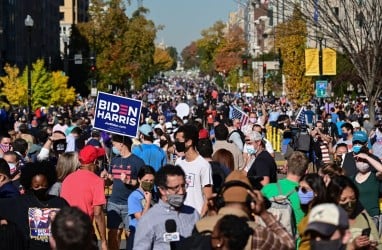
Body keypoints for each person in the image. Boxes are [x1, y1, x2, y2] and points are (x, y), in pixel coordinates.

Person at [192, 170, 295, 250]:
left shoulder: (201, 226)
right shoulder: (257, 233)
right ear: (252, 202)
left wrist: (211, 216)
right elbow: (289, 246)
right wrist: (264, 213)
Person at [0, 161, 68, 250]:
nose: (40, 188)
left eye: (44, 186)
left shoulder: (59, 202)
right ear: (29, 184)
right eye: (36, 186)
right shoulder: (20, 202)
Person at [133, 164, 200, 250]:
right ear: (162, 190)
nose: (181, 192)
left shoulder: (193, 213)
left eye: (183, 186)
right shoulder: (149, 219)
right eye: (176, 187)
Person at [102, 134, 145, 250]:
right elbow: (110, 181)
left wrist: (128, 181)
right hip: (113, 203)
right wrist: (106, 179)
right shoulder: (114, 160)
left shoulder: (138, 162)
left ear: (122, 144)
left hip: (130, 204)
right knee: (113, 234)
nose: (113, 145)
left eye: (114, 143)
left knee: (130, 234)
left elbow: (143, 183)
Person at [60, 145, 107, 250]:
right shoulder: (97, 181)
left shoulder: (68, 179)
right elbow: (98, 213)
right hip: (84, 234)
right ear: (95, 162)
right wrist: (104, 241)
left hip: (66, 232)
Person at [327, 175, 381, 249]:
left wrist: (373, 247)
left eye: (352, 198)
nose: (349, 203)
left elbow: (379, 243)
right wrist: (352, 246)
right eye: (343, 199)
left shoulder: (364, 218)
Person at [262, 151, 309, 227]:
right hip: (295, 237)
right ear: (306, 172)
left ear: (286, 167)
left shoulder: (267, 189)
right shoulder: (306, 194)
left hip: (273, 235)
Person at [174, 124, 213, 215]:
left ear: (189, 142)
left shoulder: (203, 165)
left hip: (196, 216)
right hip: (180, 216)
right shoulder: (178, 162)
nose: (176, 143)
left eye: (178, 140)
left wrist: (200, 218)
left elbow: (208, 197)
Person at [126, 165, 156, 250]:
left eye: (151, 181)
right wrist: (148, 202)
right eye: (146, 180)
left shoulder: (154, 195)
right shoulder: (134, 197)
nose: (149, 183)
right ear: (139, 180)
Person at [296, 173, 327, 250]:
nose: (300, 192)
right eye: (298, 188)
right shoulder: (309, 210)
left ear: (316, 192)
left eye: (304, 189)